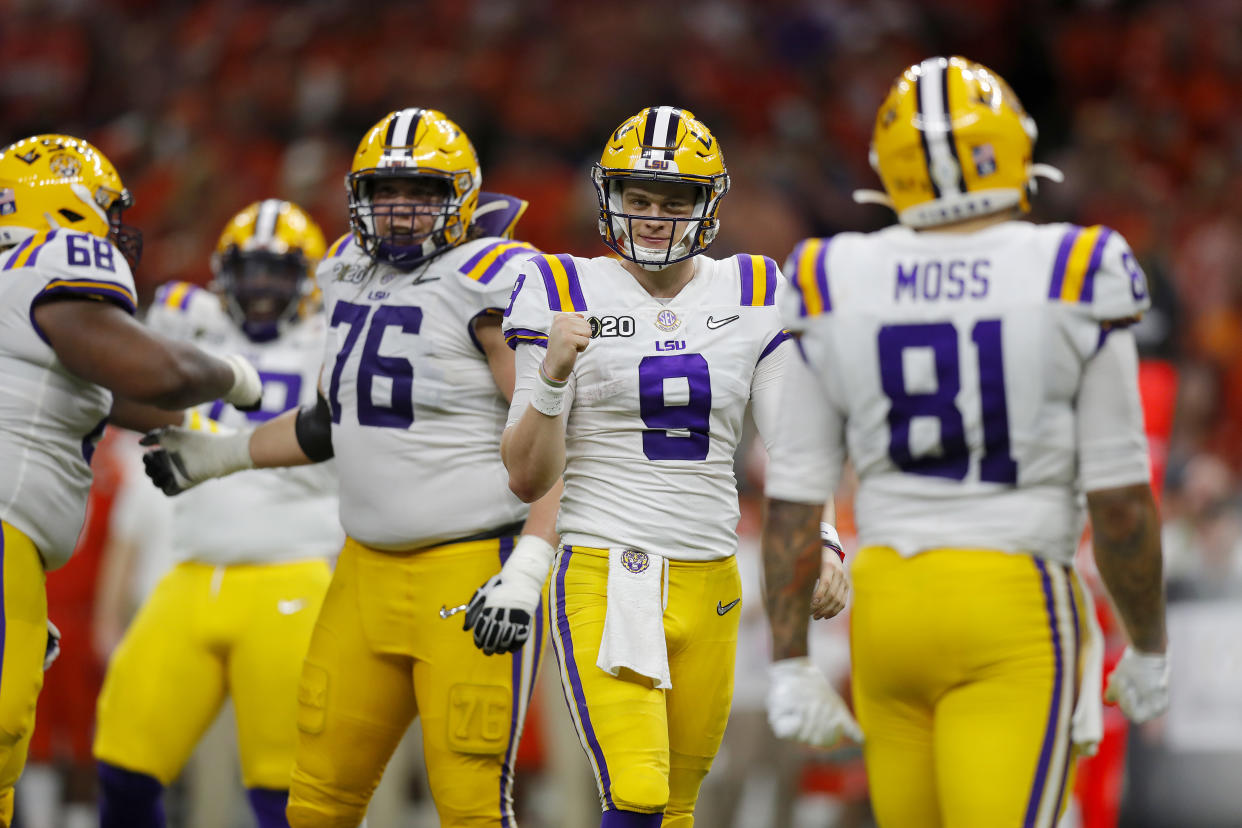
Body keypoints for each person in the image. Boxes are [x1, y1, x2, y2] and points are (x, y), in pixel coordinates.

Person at [762, 56, 1169, 827]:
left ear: (890, 173)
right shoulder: (1075, 267)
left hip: (887, 607)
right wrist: (1146, 642)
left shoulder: (831, 272)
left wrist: (790, 665)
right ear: (1016, 150)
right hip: (1011, 599)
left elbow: (793, 498)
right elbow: (1119, 501)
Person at [139, 108, 559, 827]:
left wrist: (529, 564)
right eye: (385, 193)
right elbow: (332, 423)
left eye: (422, 193)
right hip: (361, 572)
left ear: (460, 196)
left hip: (467, 571)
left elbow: (555, 439)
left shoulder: (494, 277)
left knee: (470, 805)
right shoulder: (344, 270)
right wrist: (218, 456)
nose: (400, 213)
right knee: (317, 801)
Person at [477, 105, 836, 828]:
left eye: (674, 201)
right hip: (608, 569)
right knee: (637, 789)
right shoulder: (558, 287)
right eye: (638, 198)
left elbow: (791, 444)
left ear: (709, 204)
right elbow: (525, 475)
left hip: (713, 575)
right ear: (608, 197)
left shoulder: (755, 289)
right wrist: (550, 376)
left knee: (677, 807)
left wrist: (821, 540)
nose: (653, 216)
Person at [0, 133, 263, 828]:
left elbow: (107, 391)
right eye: (106, 213)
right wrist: (234, 374)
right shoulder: (50, 258)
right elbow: (158, 374)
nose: (116, 232)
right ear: (68, 209)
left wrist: (215, 426)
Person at [92, 200, 341, 828]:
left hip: (294, 574)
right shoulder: (189, 320)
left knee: (283, 791)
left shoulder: (335, 336)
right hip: (189, 571)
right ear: (220, 273)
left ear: (308, 279)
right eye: (247, 270)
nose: (259, 289)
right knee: (123, 763)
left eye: (276, 273)